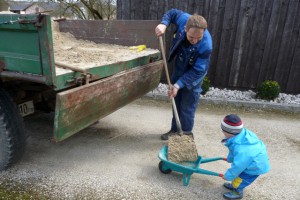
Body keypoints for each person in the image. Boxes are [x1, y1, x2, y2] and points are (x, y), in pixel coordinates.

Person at [155, 9, 213, 140]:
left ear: (204, 32)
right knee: (176, 101)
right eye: (192, 37)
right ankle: (174, 131)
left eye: (199, 37)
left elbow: (199, 70)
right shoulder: (184, 20)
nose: (195, 40)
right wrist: (163, 24)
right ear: (185, 29)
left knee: (187, 106)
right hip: (180, 67)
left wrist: (179, 84)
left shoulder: (206, 46)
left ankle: (185, 135)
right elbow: (172, 13)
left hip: (194, 76)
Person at [220, 114, 270, 199]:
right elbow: (233, 150)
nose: (222, 133)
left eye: (223, 131)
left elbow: (238, 165)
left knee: (240, 180)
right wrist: (230, 158)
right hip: (251, 161)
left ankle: (237, 192)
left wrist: (228, 176)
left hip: (254, 167)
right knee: (238, 178)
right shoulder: (240, 135)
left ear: (229, 132)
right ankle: (235, 185)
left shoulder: (242, 149)